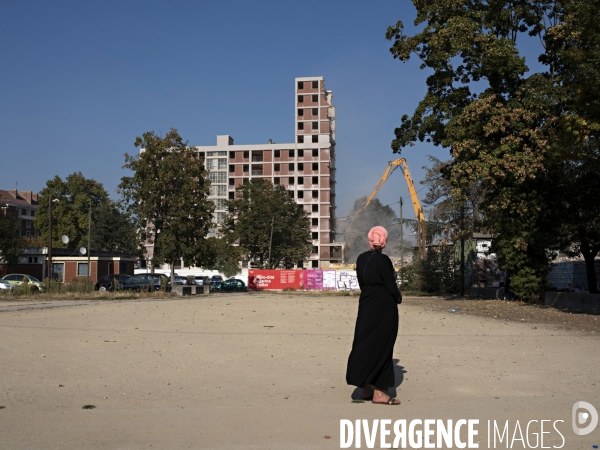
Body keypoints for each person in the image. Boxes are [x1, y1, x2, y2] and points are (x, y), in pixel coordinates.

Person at [346, 225, 402, 405]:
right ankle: (379, 392)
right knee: (383, 345)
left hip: (366, 304)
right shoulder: (383, 260)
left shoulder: (361, 259)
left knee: (364, 342)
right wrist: (398, 297)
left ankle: (366, 388)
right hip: (384, 307)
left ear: (370, 240)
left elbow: (362, 283)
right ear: (384, 241)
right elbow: (390, 286)